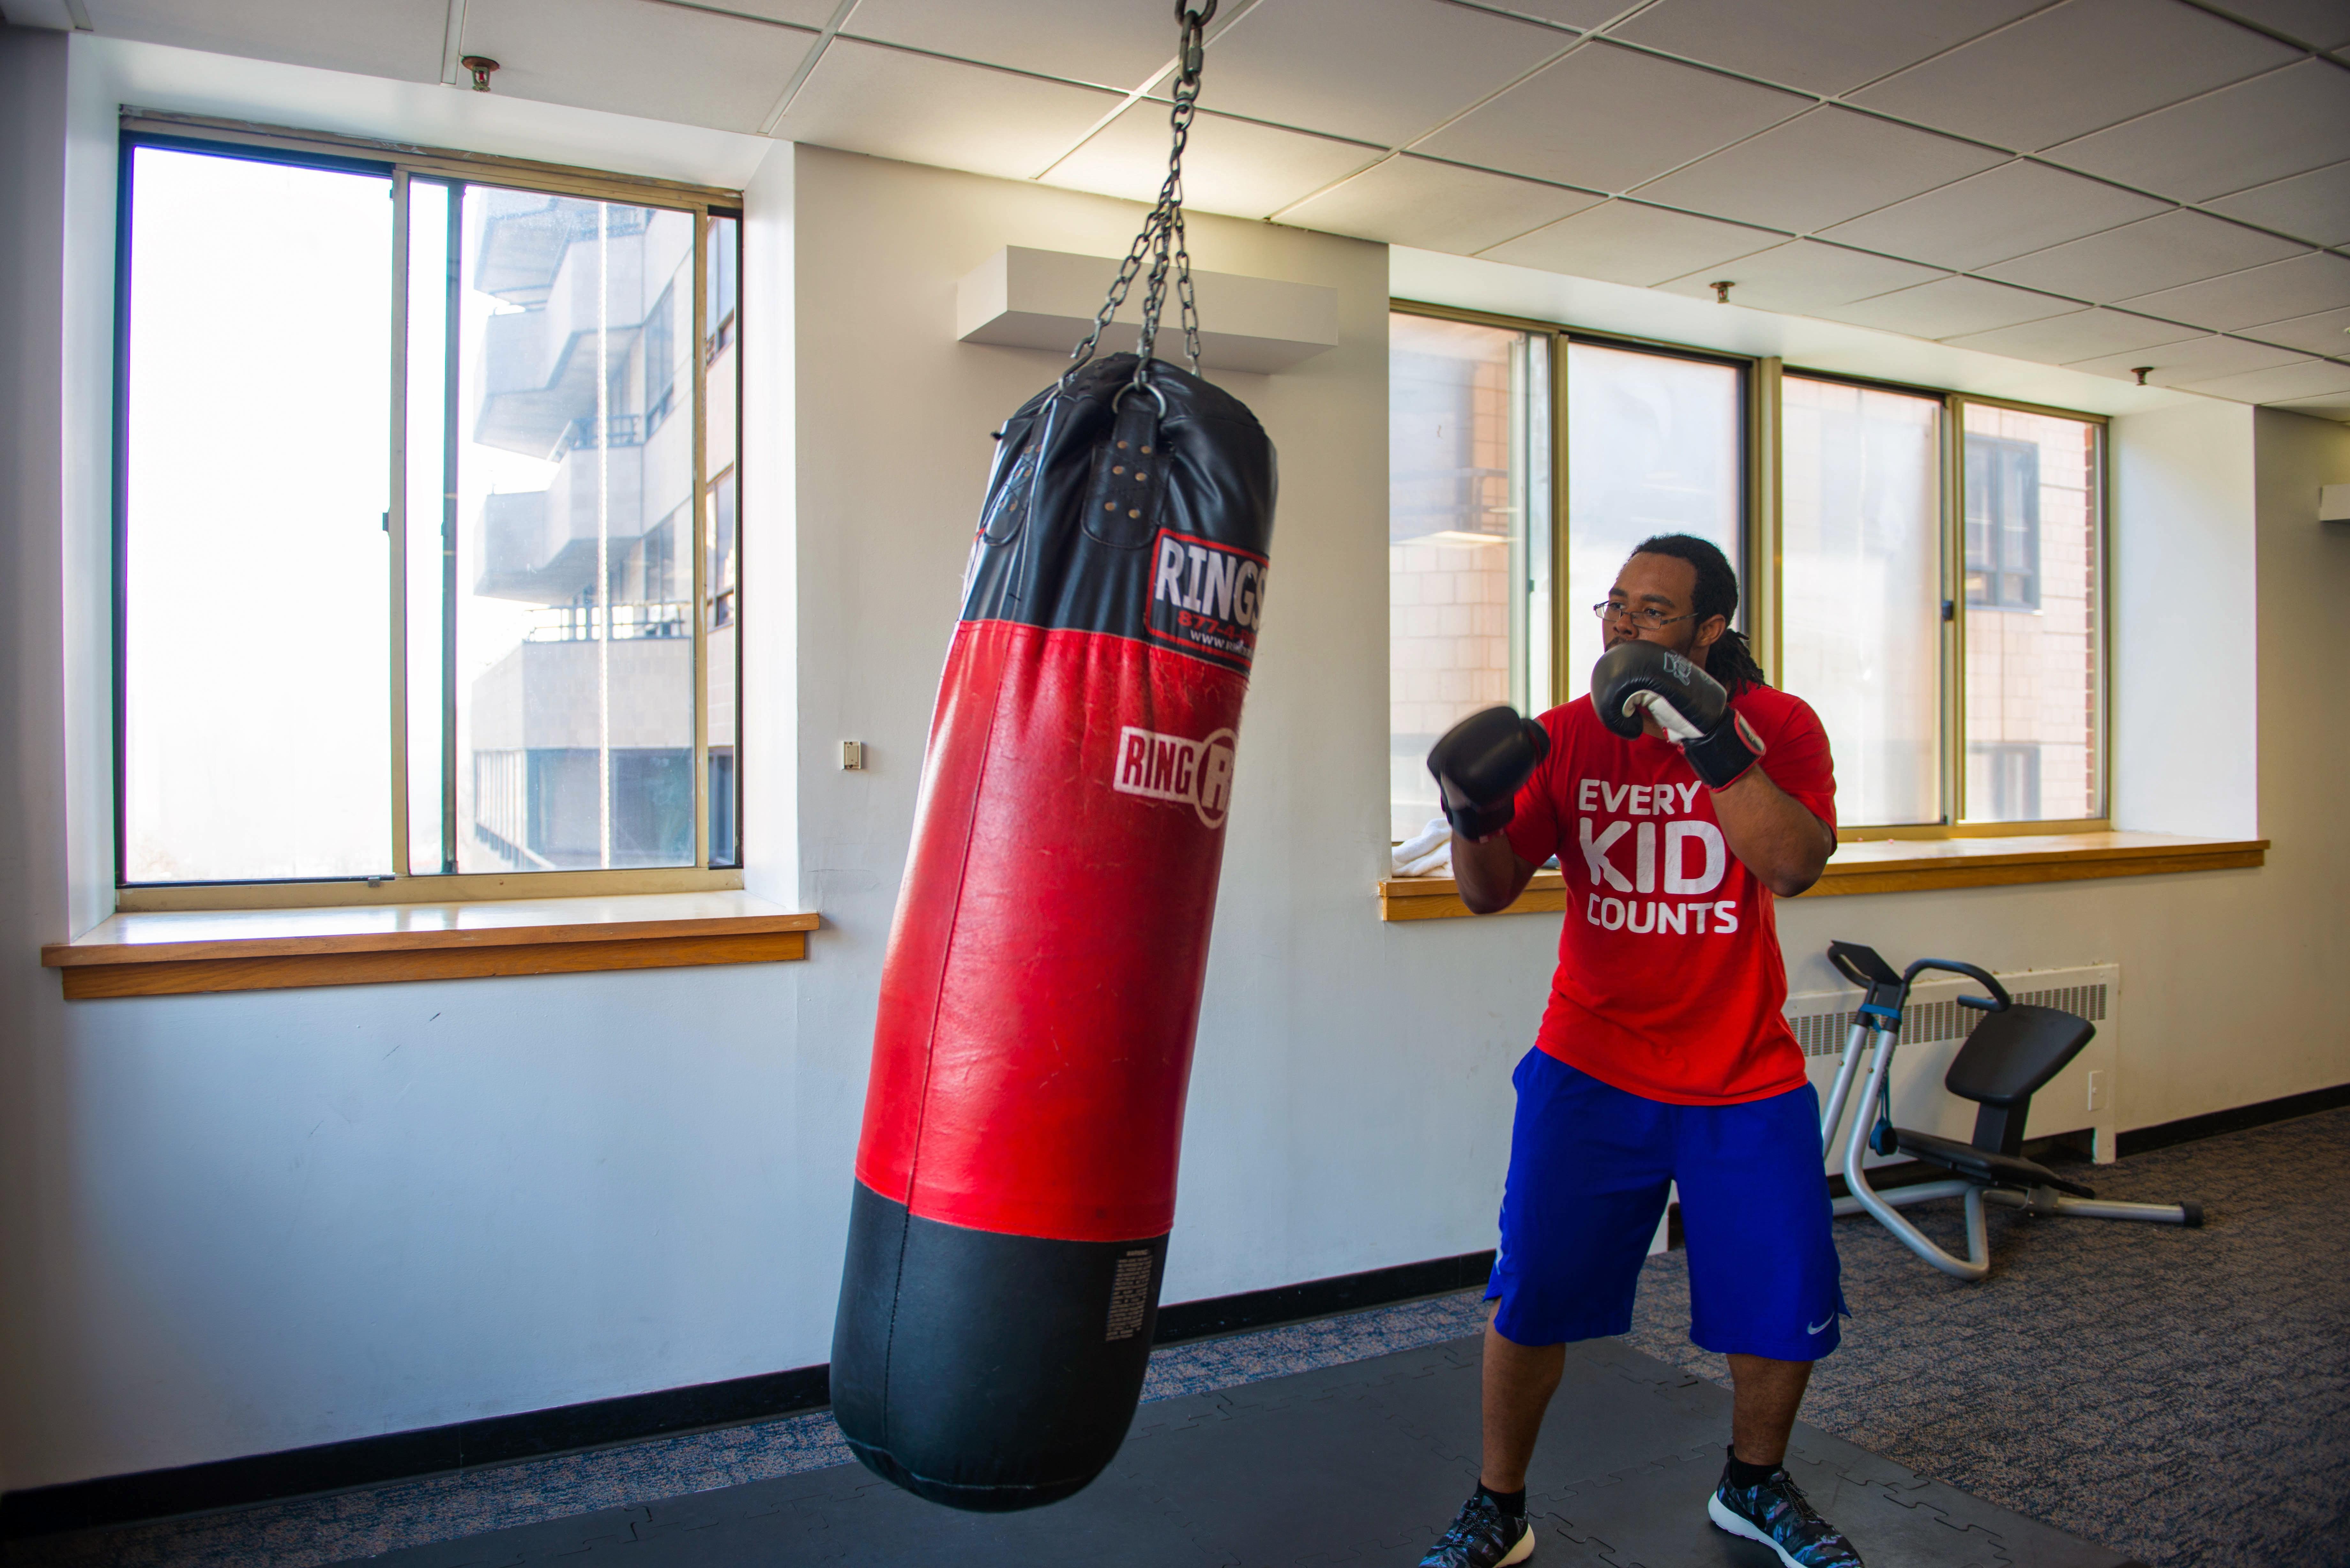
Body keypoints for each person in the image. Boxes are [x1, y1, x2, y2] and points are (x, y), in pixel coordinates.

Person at [1416, 535, 1860, 1568]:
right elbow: (1486, 890)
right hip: (1592, 1062)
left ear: (1710, 631)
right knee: (1531, 1291)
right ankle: (1499, 1505)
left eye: (1653, 613)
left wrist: (1709, 737)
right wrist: (1468, 812)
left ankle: (1753, 1487)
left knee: (1782, 1291)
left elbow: (1792, 865)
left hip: (1742, 1068)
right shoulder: (1567, 737)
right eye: (1614, 605)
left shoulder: (1779, 726)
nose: (1622, 626)